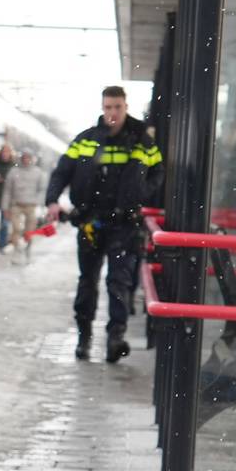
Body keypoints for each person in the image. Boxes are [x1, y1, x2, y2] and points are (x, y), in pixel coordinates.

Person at [45, 85, 164, 363]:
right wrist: (52, 200)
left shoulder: (141, 141)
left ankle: (115, 337)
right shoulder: (85, 140)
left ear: (126, 106)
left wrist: (140, 193)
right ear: (102, 108)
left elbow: (159, 172)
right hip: (89, 221)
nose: (113, 113)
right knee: (87, 281)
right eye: (108, 107)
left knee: (118, 282)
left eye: (118, 107)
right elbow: (62, 172)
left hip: (124, 223)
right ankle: (83, 336)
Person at [1, 148, 47, 264]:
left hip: (31, 206)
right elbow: (7, 190)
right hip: (16, 205)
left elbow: (42, 190)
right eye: (24, 157)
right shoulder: (13, 172)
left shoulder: (38, 173)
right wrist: (5, 207)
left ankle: (27, 251)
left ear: (32, 159)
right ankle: (17, 251)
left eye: (28, 157)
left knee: (29, 231)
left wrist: (39, 203)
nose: (26, 160)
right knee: (16, 229)